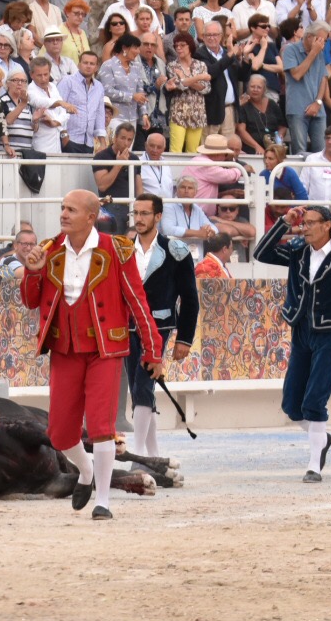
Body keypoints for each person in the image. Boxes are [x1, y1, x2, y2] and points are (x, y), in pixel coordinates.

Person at [21, 189, 165, 521]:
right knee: (59, 433)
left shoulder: (116, 250)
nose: (63, 214)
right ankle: (84, 473)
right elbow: (31, 300)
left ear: (90, 216)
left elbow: (137, 303)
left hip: (105, 349)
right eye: (62, 208)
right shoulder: (49, 250)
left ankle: (103, 501)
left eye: (70, 209)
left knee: (102, 426)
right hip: (65, 348)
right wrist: (33, 272)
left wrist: (153, 350)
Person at [252, 204, 331, 483]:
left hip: (330, 332)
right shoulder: (298, 249)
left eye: (310, 223)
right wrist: (284, 222)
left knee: (314, 400)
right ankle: (321, 437)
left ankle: (314, 465)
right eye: (303, 223)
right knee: (291, 404)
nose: (304, 227)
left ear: (327, 225)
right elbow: (260, 252)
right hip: (301, 329)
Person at [126, 193, 199, 459]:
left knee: (143, 385)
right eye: (136, 213)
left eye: (145, 213)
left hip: (159, 326)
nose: (139, 219)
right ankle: (153, 453)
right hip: (129, 327)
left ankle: (138, 454)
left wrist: (185, 338)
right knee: (139, 387)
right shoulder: (123, 248)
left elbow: (190, 297)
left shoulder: (175, 250)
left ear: (158, 217)